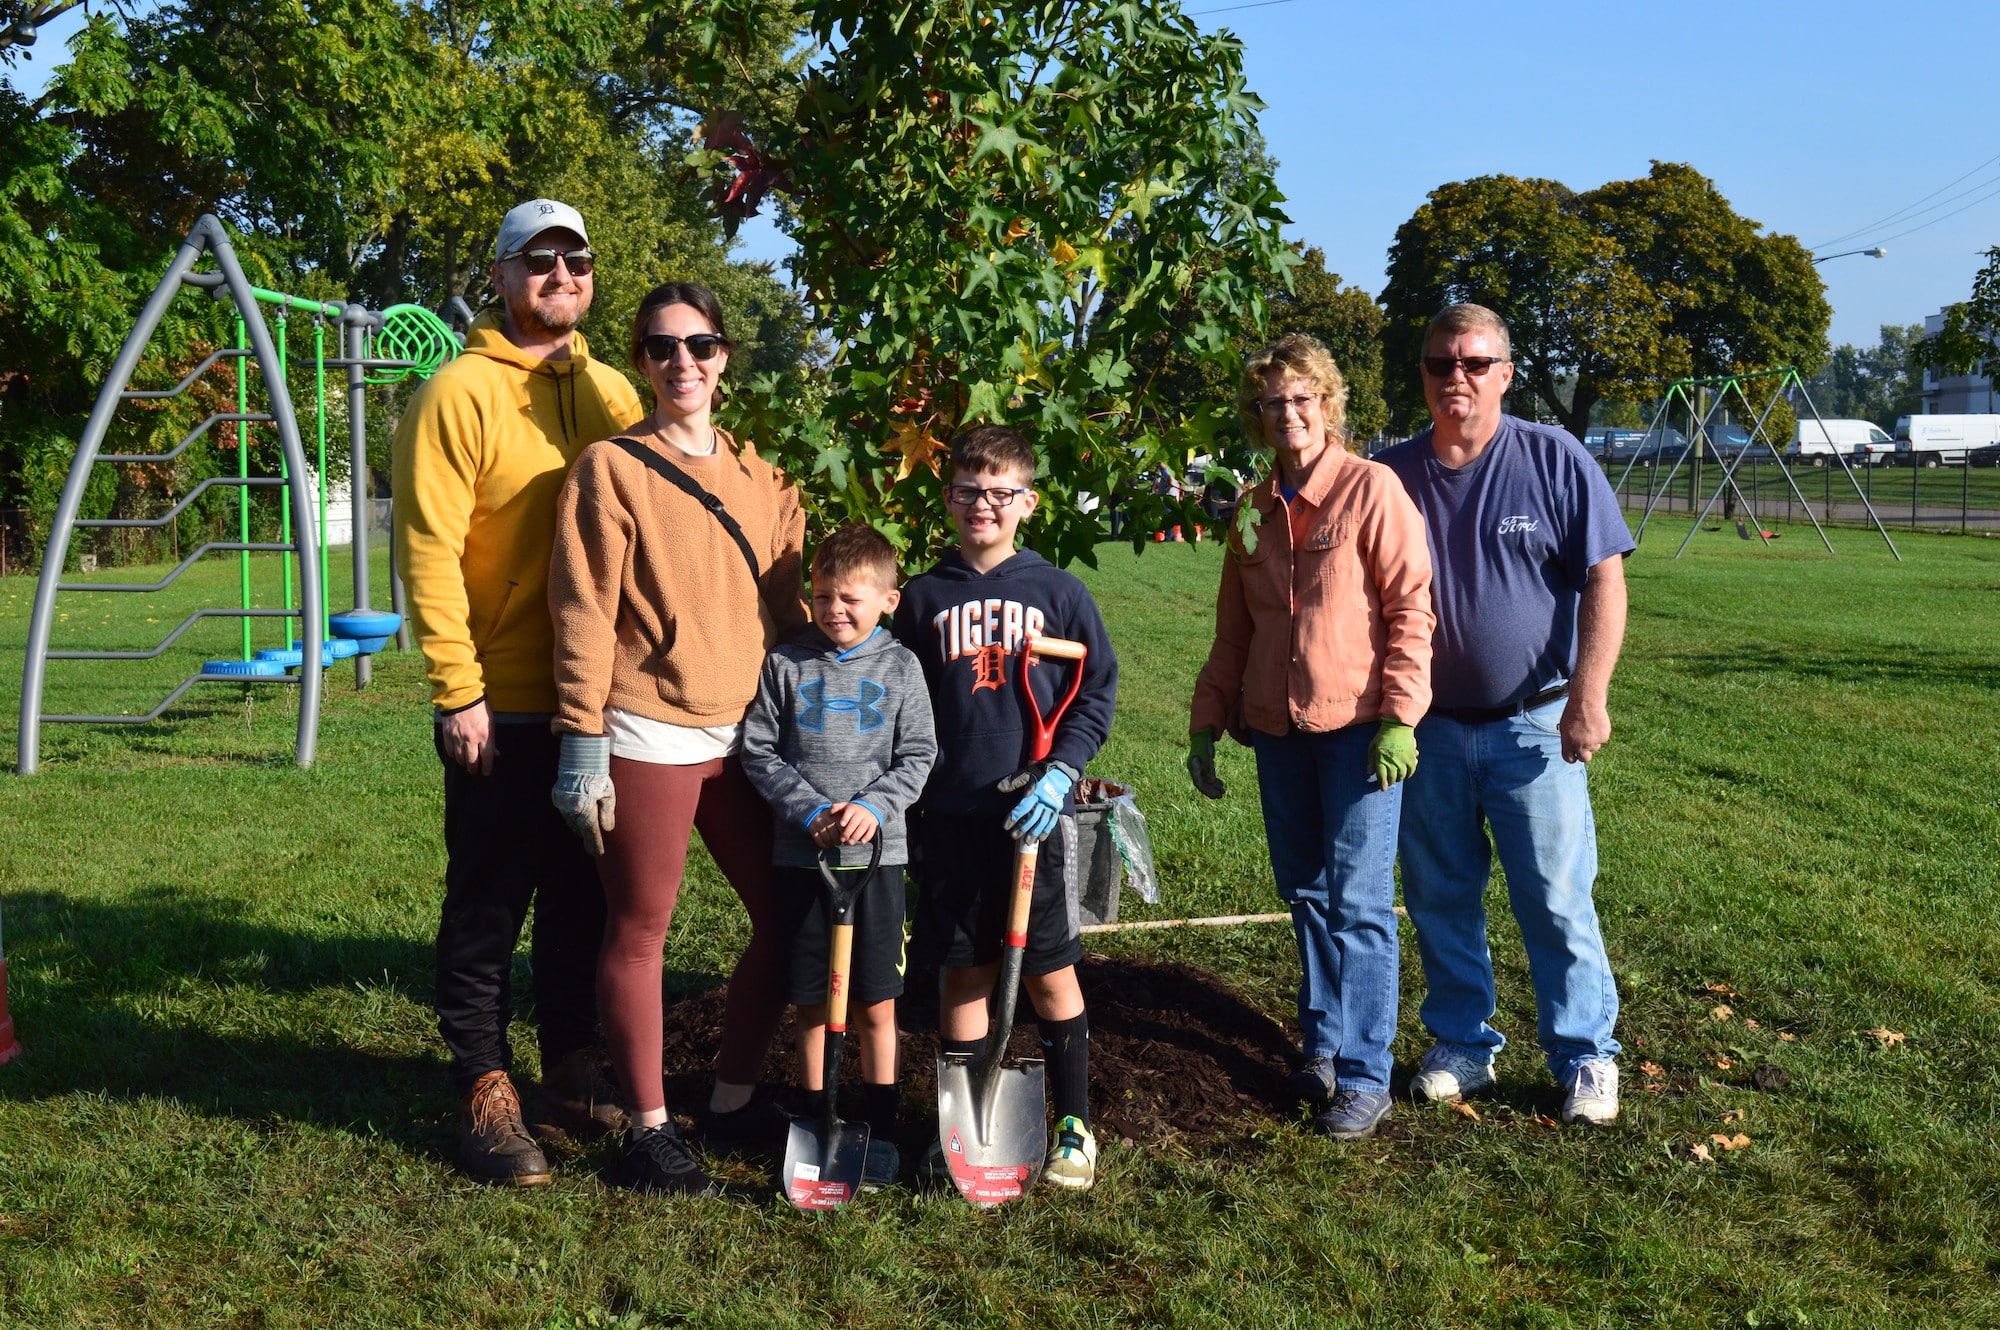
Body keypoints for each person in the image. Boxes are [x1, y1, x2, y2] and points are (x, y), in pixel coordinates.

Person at [393, 198, 643, 1185]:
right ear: (499, 278)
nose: (559, 276)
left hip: (602, 702)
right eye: (536, 261)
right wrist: (458, 690)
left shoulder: (617, 393)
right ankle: (484, 1084)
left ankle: (574, 1062)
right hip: (500, 698)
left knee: (587, 894)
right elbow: (427, 549)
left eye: (575, 258)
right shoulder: (455, 393)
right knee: (490, 901)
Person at [546, 280, 808, 1195]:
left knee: (782, 920)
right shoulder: (609, 470)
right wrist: (581, 743)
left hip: (750, 737)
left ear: (725, 356)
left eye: (699, 345)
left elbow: (792, 608)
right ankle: (650, 1131)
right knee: (641, 929)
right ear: (642, 361)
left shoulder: (767, 480)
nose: (682, 363)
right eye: (661, 348)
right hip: (646, 727)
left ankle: (732, 1100)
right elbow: (583, 614)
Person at [1375, 303, 1633, 1126]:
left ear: (1506, 373)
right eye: (1442, 362)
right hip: (1427, 728)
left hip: (1536, 724)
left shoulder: (1553, 458)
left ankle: (1585, 1055)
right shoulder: (1390, 475)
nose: (1459, 376)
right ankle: (1461, 1042)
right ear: (1421, 373)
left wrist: (1588, 697)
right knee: (1441, 894)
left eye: (1476, 362)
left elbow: (1605, 579)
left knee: (1555, 898)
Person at [1186, 334, 1434, 1141]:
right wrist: (1206, 721)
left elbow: (1411, 611)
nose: (1287, 413)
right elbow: (1233, 631)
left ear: (1327, 404)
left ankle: (1365, 1075)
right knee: (1305, 894)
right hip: (1276, 733)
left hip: (1359, 734)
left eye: (1302, 398)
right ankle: (1321, 1044)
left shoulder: (1373, 489)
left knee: (1360, 903)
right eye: (1271, 402)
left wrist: (1400, 715)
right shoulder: (1252, 511)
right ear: (1257, 417)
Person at [892, 425, 1119, 1191]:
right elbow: (903, 703)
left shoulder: (1058, 593)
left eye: (999, 494)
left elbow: (1094, 691)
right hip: (951, 817)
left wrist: (1062, 772)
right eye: (966, 492)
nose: (981, 506)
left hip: (1035, 816)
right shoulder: (923, 598)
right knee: (965, 973)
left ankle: (1074, 1125)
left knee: (1050, 970)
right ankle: (967, 1127)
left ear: (1027, 501)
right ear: (948, 497)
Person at [739, 524, 938, 1191]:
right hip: (804, 860)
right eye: (823, 596)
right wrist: (809, 812)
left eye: (851, 598)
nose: (834, 611)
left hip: (877, 863)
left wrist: (873, 808)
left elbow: (919, 755)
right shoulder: (787, 663)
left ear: (889, 599)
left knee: (876, 1003)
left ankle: (880, 1127)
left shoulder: (902, 668)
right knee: (812, 1002)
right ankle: (814, 1119)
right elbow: (759, 750)